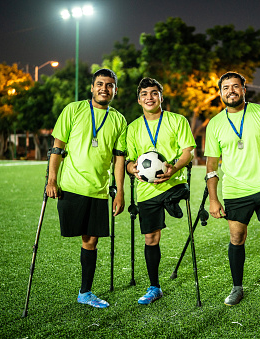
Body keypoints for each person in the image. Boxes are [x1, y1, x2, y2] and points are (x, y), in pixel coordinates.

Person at [204, 71, 260, 306]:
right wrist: (213, 199)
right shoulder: (214, 124)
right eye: (225, 88)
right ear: (220, 92)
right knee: (237, 236)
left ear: (244, 89)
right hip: (234, 191)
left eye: (235, 86)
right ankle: (237, 287)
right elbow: (211, 166)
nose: (230, 91)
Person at [46, 68, 127, 308]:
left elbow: (119, 158)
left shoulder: (119, 119)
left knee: (91, 241)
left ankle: (85, 292)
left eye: (109, 85)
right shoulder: (73, 109)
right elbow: (57, 148)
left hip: (99, 189)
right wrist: (52, 180)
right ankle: (84, 290)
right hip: (71, 186)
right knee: (78, 236)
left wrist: (119, 191)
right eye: (100, 84)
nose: (104, 88)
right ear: (92, 87)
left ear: (115, 90)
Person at [126, 77, 196, 305]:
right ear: (139, 100)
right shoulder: (133, 127)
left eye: (154, 93)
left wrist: (174, 168)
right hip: (146, 190)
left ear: (161, 97)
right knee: (151, 238)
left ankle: (171, 201)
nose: (149, 97)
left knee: (181, 189)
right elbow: (128, 160)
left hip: (173, 181)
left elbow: (188, 152)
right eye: (145, 94)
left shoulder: (177, 121)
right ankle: (154, 287)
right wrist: (132, 169)